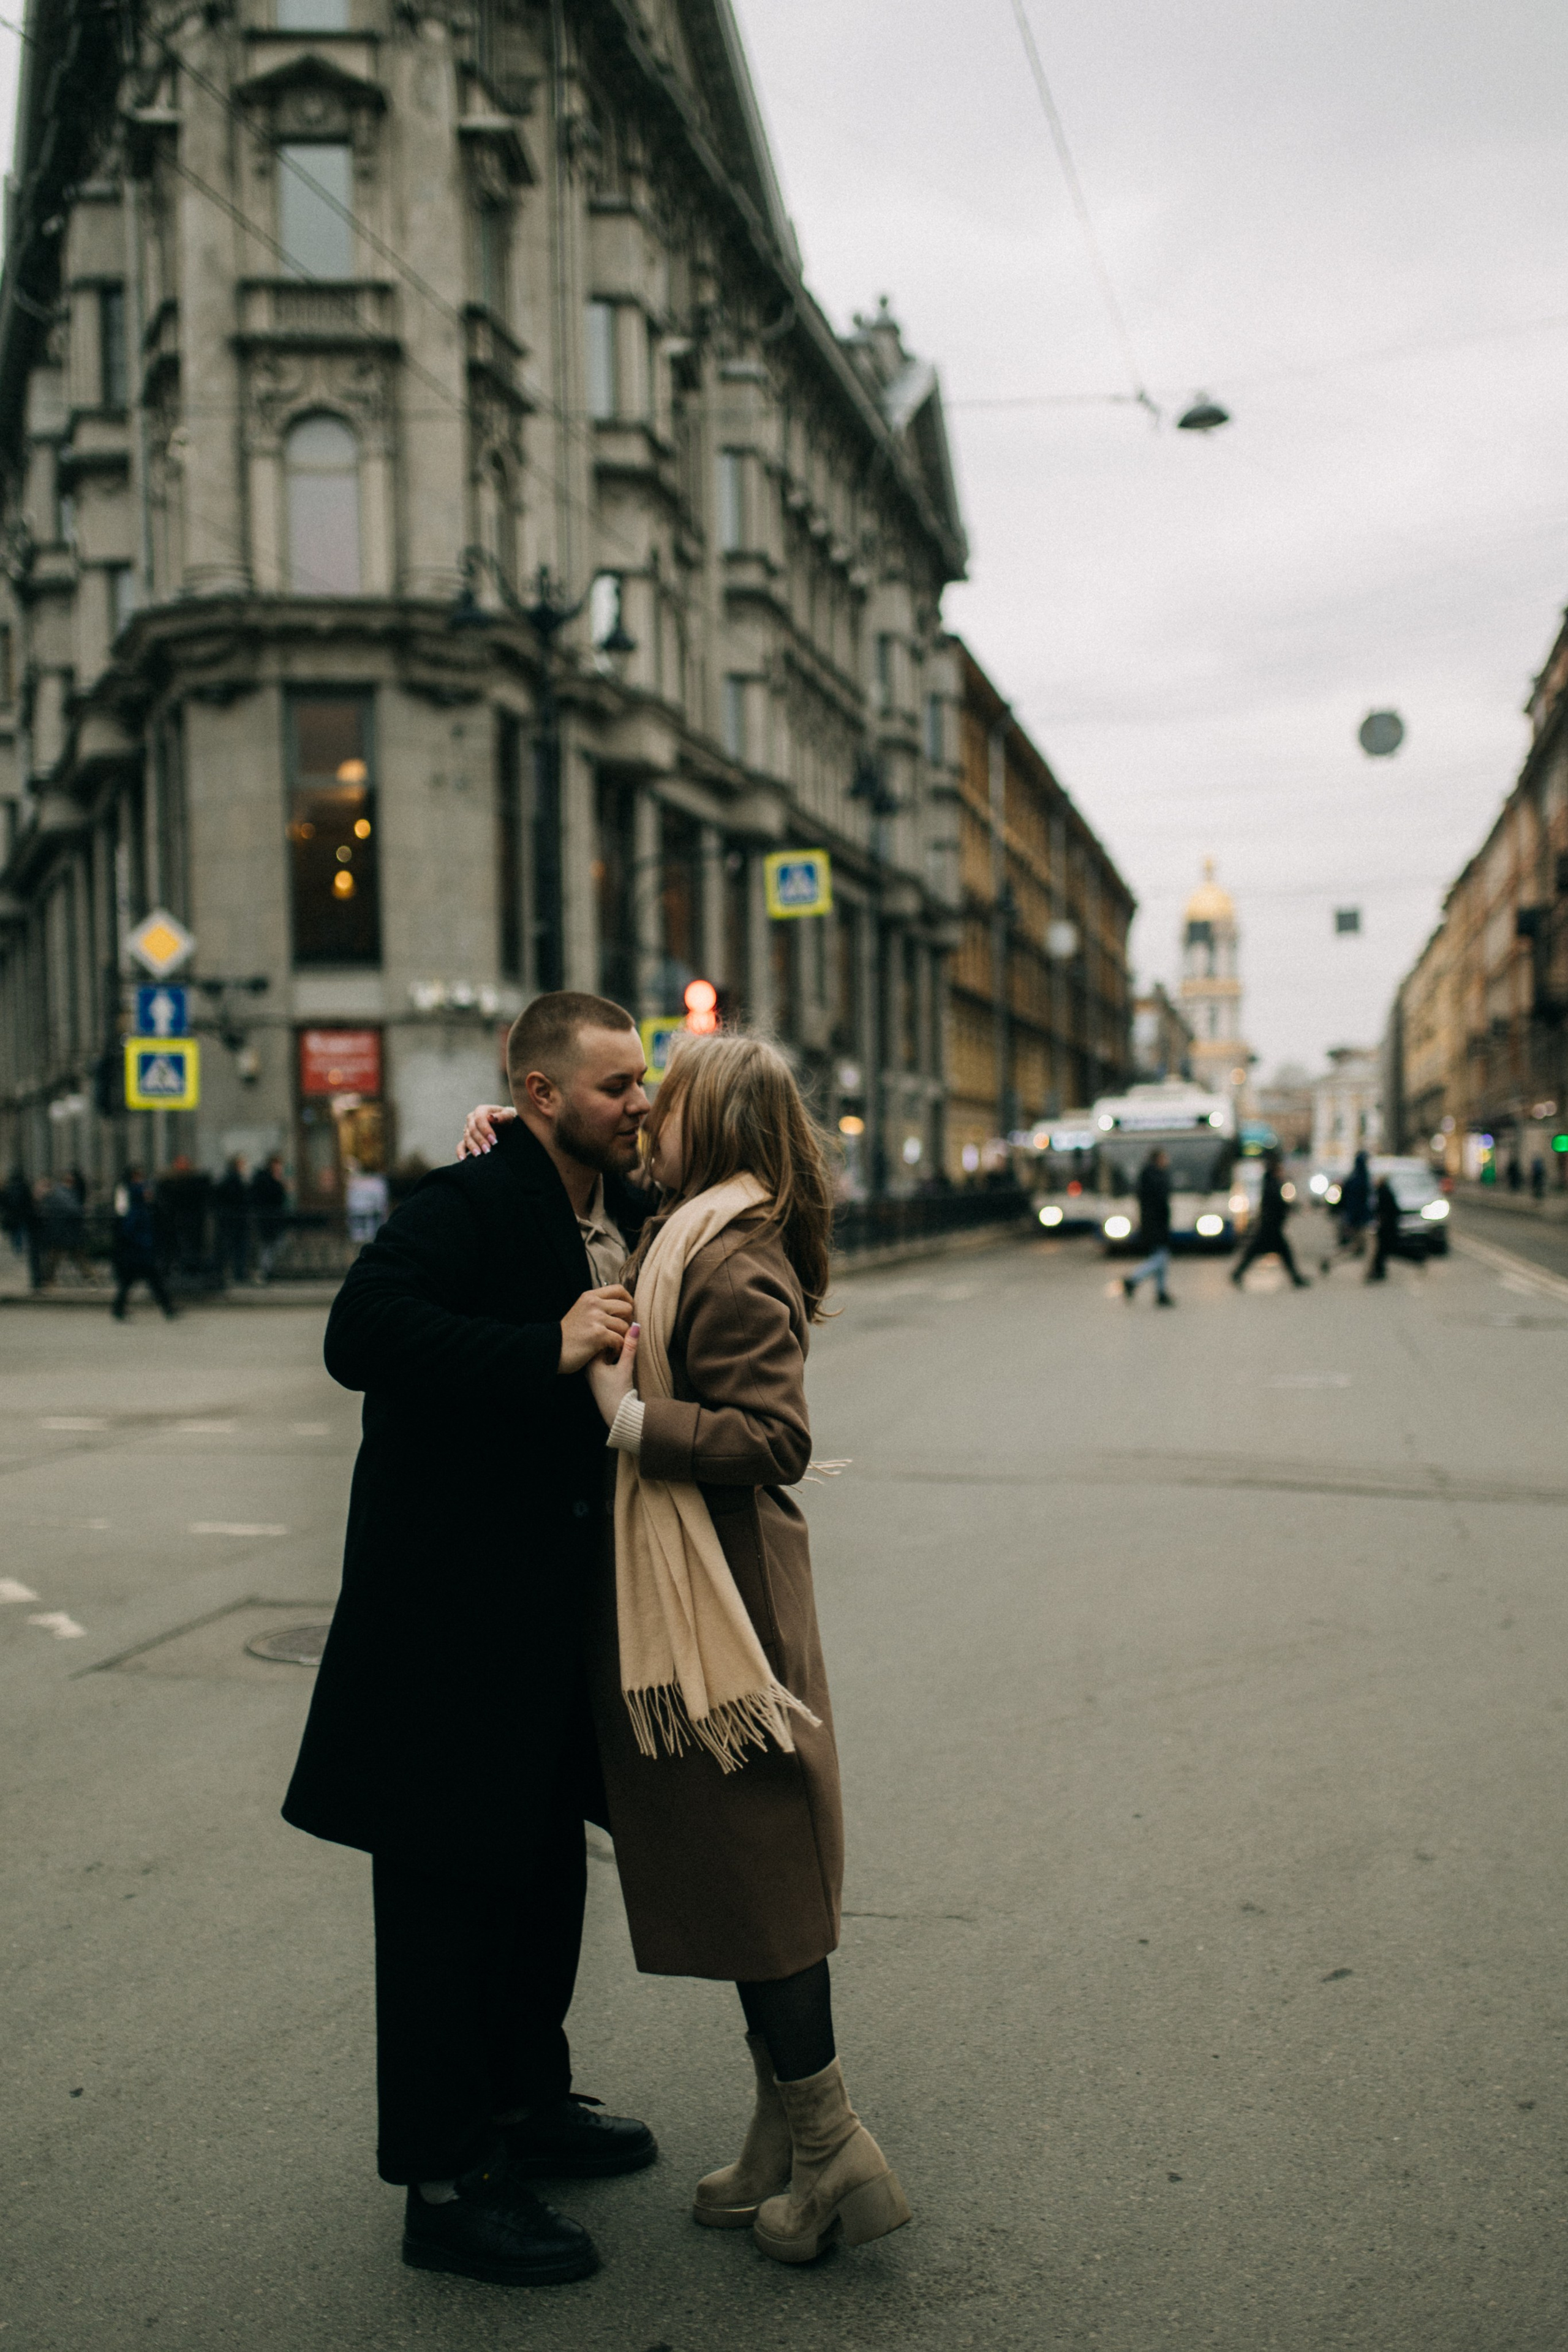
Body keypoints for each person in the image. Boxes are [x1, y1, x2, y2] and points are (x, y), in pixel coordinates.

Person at [461, 1035, 911, 2267]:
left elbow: (772, 1436)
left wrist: (627, 1419)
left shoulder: (733, 1257)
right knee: (734, 1868)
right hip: (694, 1578)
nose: (645, 1119)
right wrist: (513, 1136)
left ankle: (830, 2152)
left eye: (667, 1106)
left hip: (727, 1598)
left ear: (711, 1129)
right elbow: (595, 1202)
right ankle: (780, 2134)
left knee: (761, 1872)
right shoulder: (690, 1228)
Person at [282, 992, 658, 2290]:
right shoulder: (466, 1204)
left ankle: (525, 2103)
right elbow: (360, 1337)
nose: (639, 1103)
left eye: (644, 1081)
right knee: (445, 1902)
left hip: (542, 1622)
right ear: (543, 1097)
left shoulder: (603, 1205)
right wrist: (539, 1347)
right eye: (616, 1086)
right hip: (445, 1628)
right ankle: (444, 2183)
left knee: (542, 1873)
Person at [1231, 1149, 1310, 1289]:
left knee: (1260, 1252)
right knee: (1278, 1252)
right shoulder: (1272, 1182)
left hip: (1271, 1226)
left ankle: (1237, 1274)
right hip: (1270, 1227)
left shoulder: (1270, 1180)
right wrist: (1291, 1207)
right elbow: (1278, 1203)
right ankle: (1296, 1278)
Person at [110, 1167, 175, 1321]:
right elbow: (131, 1230)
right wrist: (144, 1244)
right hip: (140, 1253)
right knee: (152, 1281)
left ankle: (119, 1308)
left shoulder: (137, 1206)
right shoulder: (138, 1209)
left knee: (132, 1282)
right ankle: (168, 1309)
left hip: (138, 1252)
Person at [1121, 1147, 1175, 1306]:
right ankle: (1132, 1280)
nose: (1167, 1161)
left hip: (1153, 1224)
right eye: (1165, 1158)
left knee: (1161, 1258)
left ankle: (1161, 1293)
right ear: (1158, 1159)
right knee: (1160, 1259)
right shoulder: (1155, 1176)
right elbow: (1160, 1202)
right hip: (1156, 1225)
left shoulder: (1149, 1175)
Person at [1320, 1148, 1371, 1274]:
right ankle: (1369, 1272)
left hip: (1357, 1218)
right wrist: (1352, 1221)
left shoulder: (1355, 1178)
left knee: (1354, 1247)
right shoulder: (1359, 1180)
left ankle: (1329, 1260)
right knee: (1370, 1246)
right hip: (1359, 1220)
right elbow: (1355, 1203)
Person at [249, 1153, 287, 1282]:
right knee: (268, 1247)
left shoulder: (267, 1179)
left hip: (272, 1220)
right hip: (268, 1219)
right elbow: (273, 1197)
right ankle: (264, 1271)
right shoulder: (268, 1180)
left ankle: (267, 1270)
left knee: (272, 1246)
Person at [213, 1155, 251, 1285]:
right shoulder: (235, 1181)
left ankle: (227, 1273)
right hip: (235, 1220)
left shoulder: (225, 1180)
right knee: (236, 1248)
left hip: (230, 1220)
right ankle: (238, 1274)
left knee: (229, 1248)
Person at [1365, 1170, 1406, 1282]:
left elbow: (1385, 1210)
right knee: (1382, 1249)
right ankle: (1379, 1271)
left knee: (1383, 1249)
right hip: (1387, 1226)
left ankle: (1378, 1271)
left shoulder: (1383, 1192)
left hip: (1386, 1226)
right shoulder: (1383, 1192)